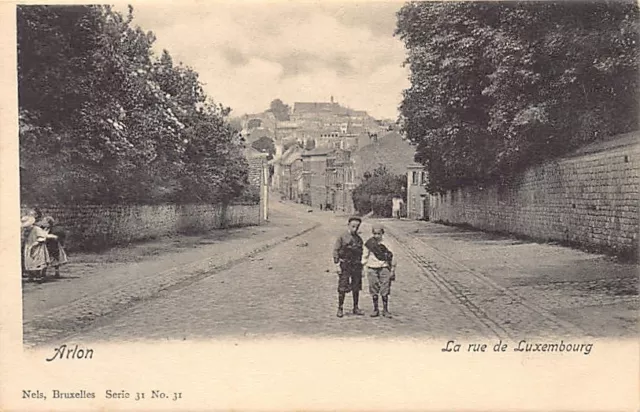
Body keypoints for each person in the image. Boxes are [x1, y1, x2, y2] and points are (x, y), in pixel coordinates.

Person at [332, 216, 364, 318]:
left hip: (356, 265)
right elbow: (336, 251)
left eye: (357, 227)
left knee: (356, 286)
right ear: (348, 225)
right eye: (353, 226)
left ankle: (355, 307)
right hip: (345, 265)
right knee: (342, 287)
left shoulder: (359, 239)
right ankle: (340, 308)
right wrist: (337, 265)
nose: (355, 229)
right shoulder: (342, 237)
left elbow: (361, 253)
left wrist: (362, 267)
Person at [362, 225, 397, 318]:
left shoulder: (387, 243)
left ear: (382, 233)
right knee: (373, 288)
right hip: (372, 267)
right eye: (375, 233)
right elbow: (364, 256)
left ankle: (385, 310)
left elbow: (392, 256)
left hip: (384, 267)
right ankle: (375, 309)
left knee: (385, 288)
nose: (377, 236)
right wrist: (363, 267)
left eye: (379, 233)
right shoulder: (369, 243)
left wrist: (393, 269)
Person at [24, 218, 56, 282]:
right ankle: (31, 275)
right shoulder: (27, 231)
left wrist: (35, 244)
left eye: (27, 226)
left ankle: (40, 275)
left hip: (38, 247)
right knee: (29, 260)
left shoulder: (37, 229)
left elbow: (42, 238)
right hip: (29, 246)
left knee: (39, 261)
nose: (26, 228)